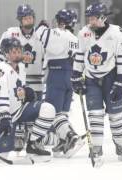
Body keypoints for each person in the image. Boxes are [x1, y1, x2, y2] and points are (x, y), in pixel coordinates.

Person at [71, 2, 122, 164]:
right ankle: (97, 146)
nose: (90, 21)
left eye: (94, 18)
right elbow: (80, 55)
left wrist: (121, 82)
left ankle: (121, 146)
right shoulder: (84, 33)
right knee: (95, 115)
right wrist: (76, 76)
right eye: (89, 18)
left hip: (111, 77)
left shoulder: (117, 33)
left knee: (116, 115)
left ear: (103, 17)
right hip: (91, 78)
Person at [0, 37, 52, 163]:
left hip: (18, 111)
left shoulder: (21, 67)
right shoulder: (0, 70)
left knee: (47, 109)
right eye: (14, 51)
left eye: (19, 51)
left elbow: (17, 87)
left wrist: (26, 90)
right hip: (2, 117)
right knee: (1, 156)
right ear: (6, 53)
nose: (17, 54)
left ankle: (33, 145)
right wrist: (3, 115)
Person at [0, 4, 47, 153]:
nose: (28, 20)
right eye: (25, 18)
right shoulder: (11, 33)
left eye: (30, 17)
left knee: (34, 112)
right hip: (17, 79)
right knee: (17, 107)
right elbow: (1, 51)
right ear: (20, 20)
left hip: (37, 79)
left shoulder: (41, 34)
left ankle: (34, 140)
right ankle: (18, 136)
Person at [39, 9, 84, 158]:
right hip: (70, 74)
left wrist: (42, 25)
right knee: (63, 113)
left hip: (57, 73)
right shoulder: (74, 38)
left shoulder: (58, 33)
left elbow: (40, 35)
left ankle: (71, 136)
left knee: (52, 112)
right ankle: (63, 140)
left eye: (57, 19)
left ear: (62, 22)